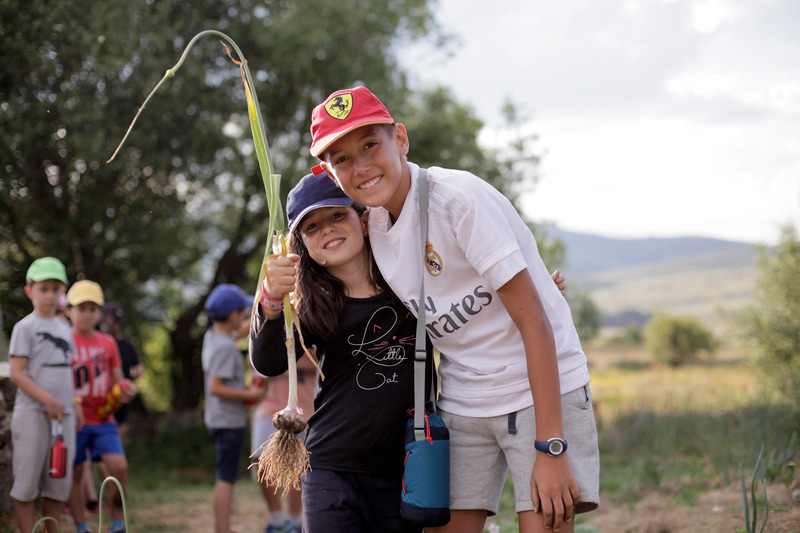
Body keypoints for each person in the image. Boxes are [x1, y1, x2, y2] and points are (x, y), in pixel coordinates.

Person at [309, 86, 599, 533]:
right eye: (341, 158)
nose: (361, 166)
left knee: (542, 525)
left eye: (370, 145)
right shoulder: (376, 226)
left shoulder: (457, 198)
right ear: (330, 171)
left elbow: (535, 320)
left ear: (400, 140)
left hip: (539, 390)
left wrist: (552, 446)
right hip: (464, 399)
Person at [249, 173, 567, 533]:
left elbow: (470, 309)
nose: (327, 230)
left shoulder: (412, 287)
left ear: (363, 219)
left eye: (338, 216)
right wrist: (271, 301)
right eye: (312, 227)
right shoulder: (314, 306)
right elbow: (269, 361)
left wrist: (535, 291)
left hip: (407, 466)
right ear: (302, 245)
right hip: (331, 468)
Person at [9, 257, 80, 533]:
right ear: (30, 291)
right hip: (32, 416)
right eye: (44, 288)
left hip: (63, 418)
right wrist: (48, 400)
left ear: (63, 292)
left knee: (58, 486)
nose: (50, 295)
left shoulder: (65, 328)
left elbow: (67, 374)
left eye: (56, 289)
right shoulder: (25, 328)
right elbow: (17, 373)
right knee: (26, 485)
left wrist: (76, 406)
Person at [65, 280, 137, 533]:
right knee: (74, 475)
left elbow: (119, 381)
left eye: (93, 308)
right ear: (68, 310)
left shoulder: (108, 342)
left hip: (104, 421)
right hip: (73, 421)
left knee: (118, 468)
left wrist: (125, 391)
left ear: (100, 312)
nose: (87, 314)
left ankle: (117, 524)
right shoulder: (63, 339)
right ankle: (81, 526)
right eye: (81, 308)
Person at [202, 283, 264, 533]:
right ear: (232, 315)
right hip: (228, 421)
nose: (243, 316)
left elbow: (236, 332)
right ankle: (223, 528)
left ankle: (223, 527)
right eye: (242, 311)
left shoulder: (213, 337)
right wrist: (249, 394)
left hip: (218, 419)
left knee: (225, 474)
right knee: (226, 478)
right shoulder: (226, 347)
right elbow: (215, 387)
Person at [250, 360, 315, 533]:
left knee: (302, 465)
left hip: (307, 407)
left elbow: (319, 360)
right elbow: (257, 361)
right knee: (260, 458)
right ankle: (277, 521)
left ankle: (293, 521)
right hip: (272, 405)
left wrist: (281, 361)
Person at [99, 302, 145, 443]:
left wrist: (127, 383)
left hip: (120, 397)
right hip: (100, 396)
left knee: (119, 430)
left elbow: (139, 369)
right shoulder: (96, 342)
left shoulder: (126, 345)